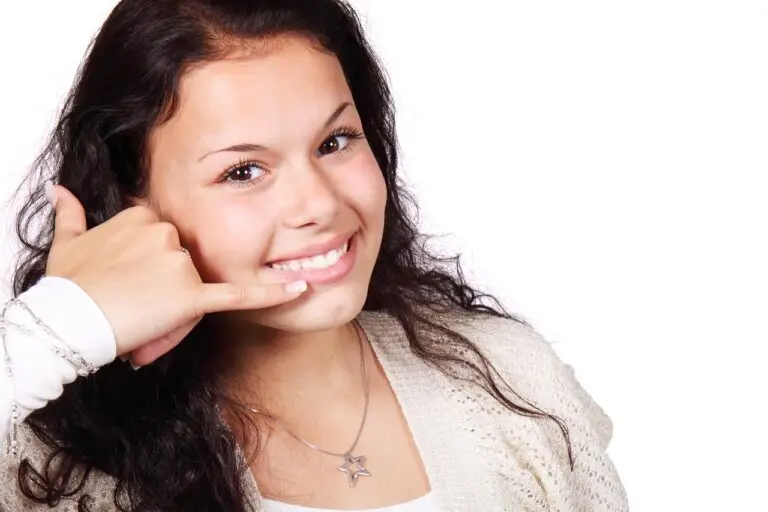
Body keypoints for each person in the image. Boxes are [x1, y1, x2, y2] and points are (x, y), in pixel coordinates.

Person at [0, 0, 628, 510]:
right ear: (135, 206)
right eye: (244, 171)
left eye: (335, 141)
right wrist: (54, 331)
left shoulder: (509, 379)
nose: (319, 205)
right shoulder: (54, 455)